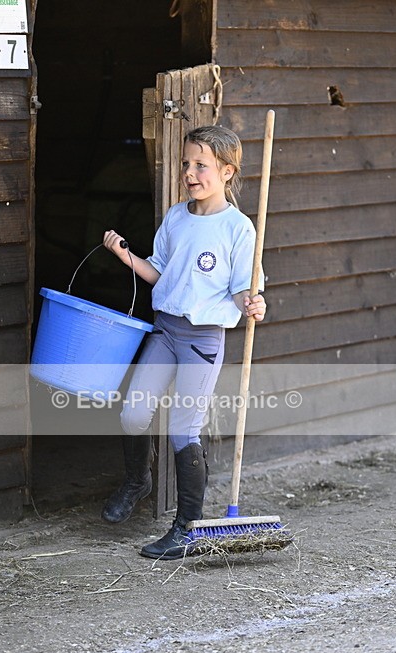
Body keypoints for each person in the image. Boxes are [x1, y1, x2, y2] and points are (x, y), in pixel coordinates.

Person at [101, 125, 266, 560]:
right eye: (186, 164)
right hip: (165, 330)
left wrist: (253, 302)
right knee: (134, 412)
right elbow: (160, 273)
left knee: (182, 428)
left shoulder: (238, 229)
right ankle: (138, 481)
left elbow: (242, 289)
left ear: (227, 171)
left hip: (202, 340)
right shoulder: (176, 217)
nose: (190, 173)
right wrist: (126, 257)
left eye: (201, 165)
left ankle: (186, 527)